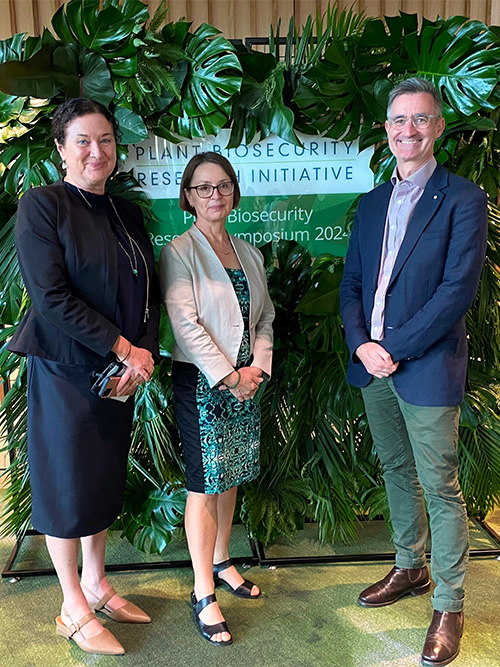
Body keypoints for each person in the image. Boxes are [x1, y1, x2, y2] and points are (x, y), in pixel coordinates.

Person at [339, 78, 487, 667]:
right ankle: (410, 568)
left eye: (421, 119)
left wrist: (392, 346)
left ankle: (448, 604)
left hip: (424, 366)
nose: (409, 130)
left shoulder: (462, 199)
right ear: (387, 129)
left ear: (438, 127)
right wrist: (361, 344)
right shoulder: (372, 203)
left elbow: (456, 293)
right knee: (396, 468)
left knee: (440, 485)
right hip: (373, 363)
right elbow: (352, 284)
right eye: (399, 120)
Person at [8, 98, 160, 655]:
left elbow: (149, 294)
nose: (97, 152)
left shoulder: (127, 213)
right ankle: (71, 604)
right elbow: (49, 297)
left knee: (99, 482)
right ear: (60, 148)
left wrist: (141, 354)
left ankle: (97, 585)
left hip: (120, 372)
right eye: (83, 141)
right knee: (65, 485)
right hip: (66, 367)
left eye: (106, 141)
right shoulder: (42, 206)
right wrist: (121, 347)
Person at [159, 152, 274, 647]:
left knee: (231, 475)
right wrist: (230, 377)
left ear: (234, 192)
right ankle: (202, 590)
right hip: (203, 385)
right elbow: (186, 325)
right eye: (203, 188)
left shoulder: (249, 253)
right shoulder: (178, 251)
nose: (215, 196)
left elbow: (264, 319)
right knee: (205, 484)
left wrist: (258, 370)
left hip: (247, 381)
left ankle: (222, 560)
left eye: (223, 186)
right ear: (188, 196)